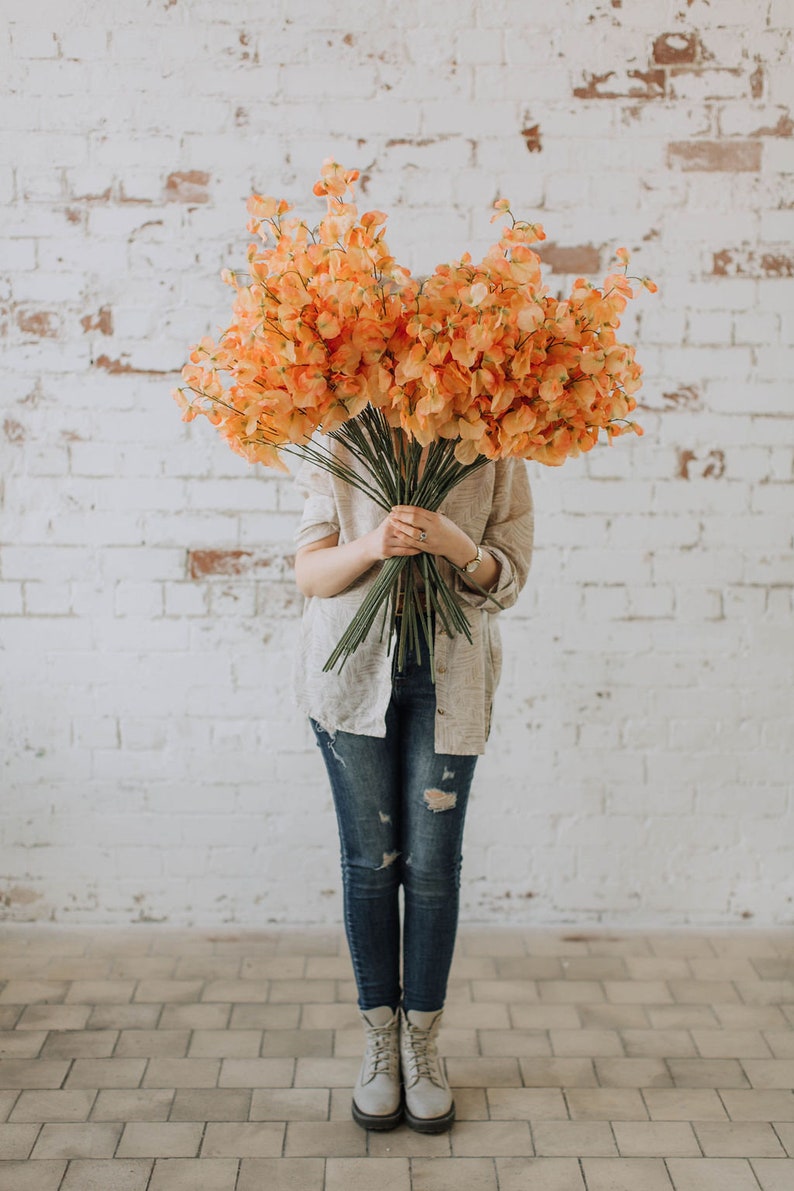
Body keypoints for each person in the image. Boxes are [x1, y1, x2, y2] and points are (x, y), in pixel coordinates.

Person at [293, 436, 534, 1133]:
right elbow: (310, 572)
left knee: (431, 868)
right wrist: (374, 545)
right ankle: (379, 1041)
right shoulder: (341, 429)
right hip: (350, 677)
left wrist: (457, 542)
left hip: (450, 677)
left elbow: (509, 579)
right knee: (371, 866)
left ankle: (422, 1042)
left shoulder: (495, 437)